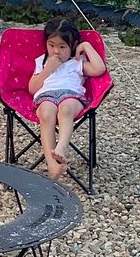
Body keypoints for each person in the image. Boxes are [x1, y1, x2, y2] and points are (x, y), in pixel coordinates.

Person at [27, 16, 106, 179]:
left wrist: (86, 45)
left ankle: (61, 147)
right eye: (51, 45)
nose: (56, 51)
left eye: (62, 46)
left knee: (66, 109)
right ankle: (52, 165)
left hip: (71, 95)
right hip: (46, 96)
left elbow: (99, 69)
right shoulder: (42, 62)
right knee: (46, 113)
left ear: (73, 45)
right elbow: (32, 88)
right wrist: (48, 69)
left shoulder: (77, 62)